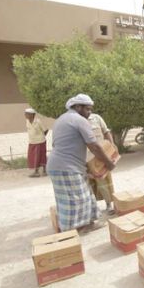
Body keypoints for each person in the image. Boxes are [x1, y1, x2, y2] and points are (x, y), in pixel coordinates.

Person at [46, 94, 116, 232]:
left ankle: (89, 223)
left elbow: (60, 144)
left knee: (86, 194)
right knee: (76, 199)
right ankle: (77, 228)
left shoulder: (61, 119)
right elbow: (94, 146)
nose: (89, 113)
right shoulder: (79, 120)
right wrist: (108, 163)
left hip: (61, 165)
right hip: (66, 167)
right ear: (78, 107)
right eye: (87, 109)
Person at [87, 112, 116, 214]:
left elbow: (106, 132)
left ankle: (109, 205)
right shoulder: (77, 121)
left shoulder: (96, 118)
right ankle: (93, 208)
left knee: (103, 180)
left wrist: (112, 145)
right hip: (86, 157)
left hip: (101, 155)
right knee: (89, 182)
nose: (88, 110)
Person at [24, 108, 48, 177]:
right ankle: (36, 172)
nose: (25, 115)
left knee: (41, 156)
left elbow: (45, 130)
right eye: (25, 113)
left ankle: (44, 170)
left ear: (32, 115)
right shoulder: (27, 121)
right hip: (32, 142)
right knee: (33, 157)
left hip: (40, 142)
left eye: (27, 114)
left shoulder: (38, 121)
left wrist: (41, 137)